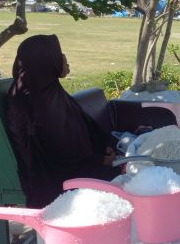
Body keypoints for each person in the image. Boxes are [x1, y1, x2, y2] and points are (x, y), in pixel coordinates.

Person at [6, 35, 119, 207]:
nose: (64, 59)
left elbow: (83, 124)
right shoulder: (38, 99)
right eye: (59, 55)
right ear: (45, 61)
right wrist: (99, 161)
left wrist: (105, 145)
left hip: (76, 164)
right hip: (57, 176)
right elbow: (60, 150)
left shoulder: (45, 87)